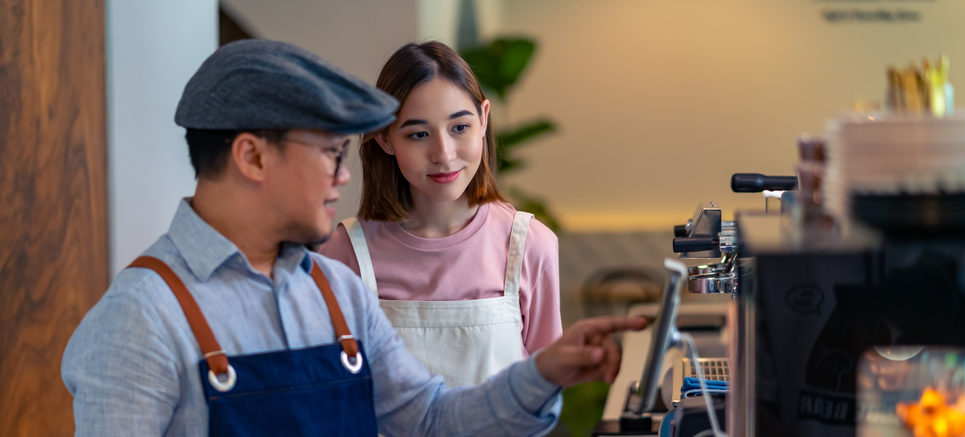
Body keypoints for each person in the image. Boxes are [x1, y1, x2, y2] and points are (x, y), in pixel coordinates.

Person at [60, 38, 646, 437]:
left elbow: (432, 418)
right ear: (251, 157)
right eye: (328, 153)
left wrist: (545, 370)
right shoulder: (141, 317)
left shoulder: (334, 291)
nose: (344, 175)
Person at [319, 41, 561, 387]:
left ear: (483, 118)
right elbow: (332, 393)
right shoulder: (344, 255)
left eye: (459, 127)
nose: (443, 154)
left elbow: (546, 392)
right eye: (418, 134)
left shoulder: (530, 246)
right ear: (386, 139)